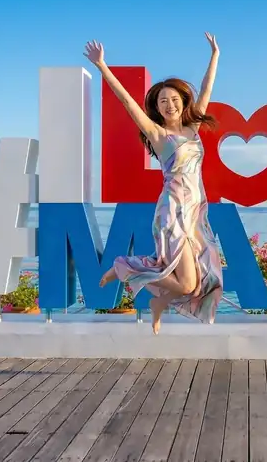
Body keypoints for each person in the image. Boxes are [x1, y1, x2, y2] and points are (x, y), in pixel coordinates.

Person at [84, 33, 223, 334]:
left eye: (174, 99)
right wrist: (102, 66)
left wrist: (215, 56)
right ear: (157, 108)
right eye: (163, 101)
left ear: (182, 102)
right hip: (172, 211)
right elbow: (126, 101)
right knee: (186, 281)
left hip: (195, 213)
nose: (170, 105)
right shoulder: (159, 135)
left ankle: (158, 302)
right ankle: (125, 268)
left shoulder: (193, 128)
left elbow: (206, 89)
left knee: (196, 282)